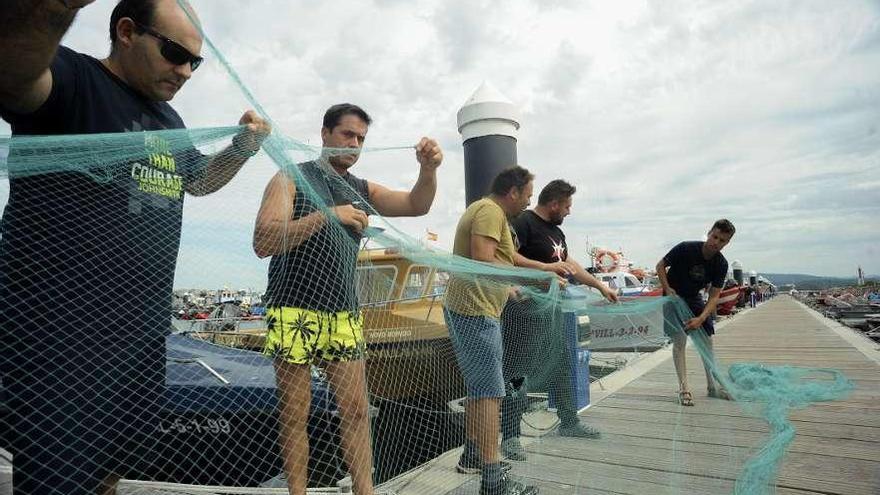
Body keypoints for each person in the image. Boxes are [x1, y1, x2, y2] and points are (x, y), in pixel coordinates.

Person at [0, 1, 270, 494]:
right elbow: (17, 76)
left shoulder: (169, 119)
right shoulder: (73, 79)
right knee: (54, 481)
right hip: (61, 338)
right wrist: (50, 9)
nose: (185, 71)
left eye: (195, 61)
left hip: (142, 334)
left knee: (112, 469)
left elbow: (200, 181)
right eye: (174, 53)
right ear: (126, 31)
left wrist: (242, 148)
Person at [253, 103, 442, 495]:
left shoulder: (361, 189)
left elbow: (415, 204)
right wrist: (327, 215)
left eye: (361, 138)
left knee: (356, 412)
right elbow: (263, 240)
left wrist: (429, 170)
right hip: (293, 310)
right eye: (347, 134)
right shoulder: (291, 177)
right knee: (294, 415)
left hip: (343, 312)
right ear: (325, 134)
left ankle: (365, 491)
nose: (354, 143)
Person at [499, 179, 618, 461]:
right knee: (518, 371)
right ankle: (511, 436)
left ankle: (569, 422)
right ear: (553, 204)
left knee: (562, 362)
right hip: (524, 310)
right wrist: (542, 272)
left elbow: (570, 265)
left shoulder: (555, 232)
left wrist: (600, 286)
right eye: (567, 206)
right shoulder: (524, 222)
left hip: (551, 310)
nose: (568, 212)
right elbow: (507, 256)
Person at [444, 166, 539, 495]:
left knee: (478, 389)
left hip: (474, 309)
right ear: (512, 192)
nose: (528, 202)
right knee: (490, 395)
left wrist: (547, 268)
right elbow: (483, 259)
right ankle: (493, 480)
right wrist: (521, 280)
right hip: (474, 312)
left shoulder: (490, 212)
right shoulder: (489, 211)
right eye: (527, 195)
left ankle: (472, 456)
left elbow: (507, 257)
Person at [655, 219, 736, 407]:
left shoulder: (721, 264)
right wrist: (667, 288)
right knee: (680, 342)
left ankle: (711, 387)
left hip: (693, 298)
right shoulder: (686, 248)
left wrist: (701, 318)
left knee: (707, 342)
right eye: (715, 237)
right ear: (709, 233)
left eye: (722, 240)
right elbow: (660, 266)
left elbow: (714, 297)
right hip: (672, 296)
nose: (716, 242)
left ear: (727, 243)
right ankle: (684, 388)